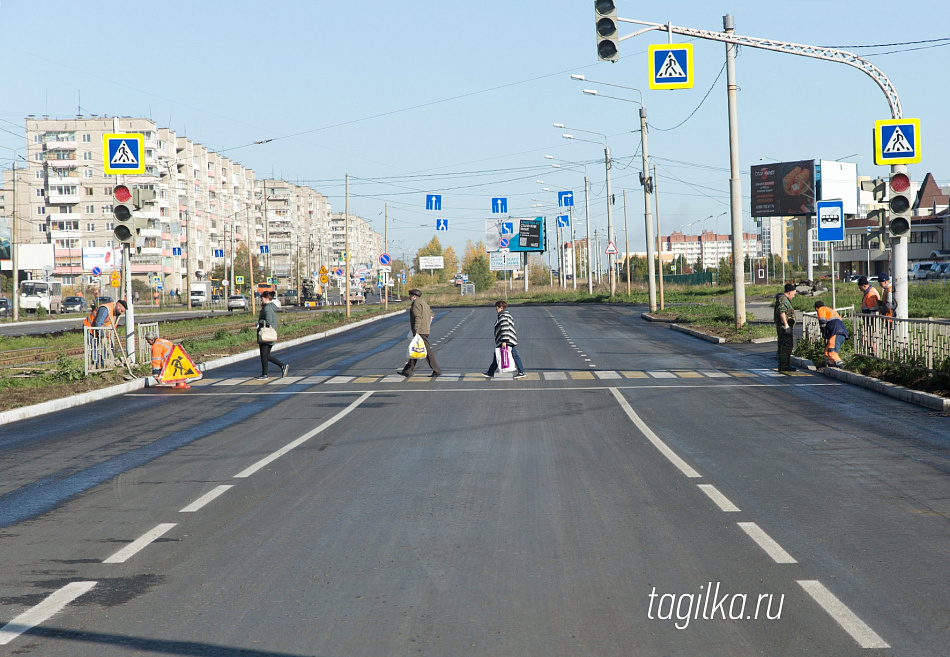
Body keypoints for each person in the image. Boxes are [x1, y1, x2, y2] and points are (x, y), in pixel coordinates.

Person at [397, 288, 441, 377]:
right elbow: (431, 314)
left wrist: (416, 331)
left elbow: (417, 317)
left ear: (414, 296)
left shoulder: (416, 304)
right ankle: (407, 370)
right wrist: (427, 323)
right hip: (424, 330)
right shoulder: (423, 303)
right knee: (416, 349)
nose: (409, 298)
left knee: (427, 351)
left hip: (420, 331)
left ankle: (437, 370)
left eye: (410, 296)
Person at [482, 300, 526, 379]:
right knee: (498, 355)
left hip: (506, 340)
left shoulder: (503, 316)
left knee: (511, 355)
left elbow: (505, 328)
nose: (496, 310)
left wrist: (504, 341)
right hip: (509, 339)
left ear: (501, 308)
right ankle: (490, 372)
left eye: (497, 308)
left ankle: (521, 371)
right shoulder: (507, 315)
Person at [256, 289, 288, 380]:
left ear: (266, 298)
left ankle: (266, 374)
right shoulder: (270, 307)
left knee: (264, 355)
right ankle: (266, 373)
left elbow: (268, 321)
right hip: (269, 334)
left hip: (266, 334)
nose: (261, 300)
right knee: (266, 355)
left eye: (262, 298)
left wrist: (259, 322)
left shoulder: (267, 308)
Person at [814, 301, 847, 367]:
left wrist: (823, 332)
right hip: (841, 332)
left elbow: (822, 322)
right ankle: (830, 363)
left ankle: (841, 365)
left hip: (836, 332)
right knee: (827, 350)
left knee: (832, 350)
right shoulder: (830, 310)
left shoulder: (821, 309)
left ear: (816, 308)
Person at [774, 283, 797, 371]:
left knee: (783, 346)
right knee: (786, 346)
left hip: (783, 327)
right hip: (784, 328)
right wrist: (786, 324)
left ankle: (783, 365)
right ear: (790, 292)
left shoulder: (782, 299)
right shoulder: (783, 300)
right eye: (794, 294)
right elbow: (782, 312)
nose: (794, 296)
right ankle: (784, 366)